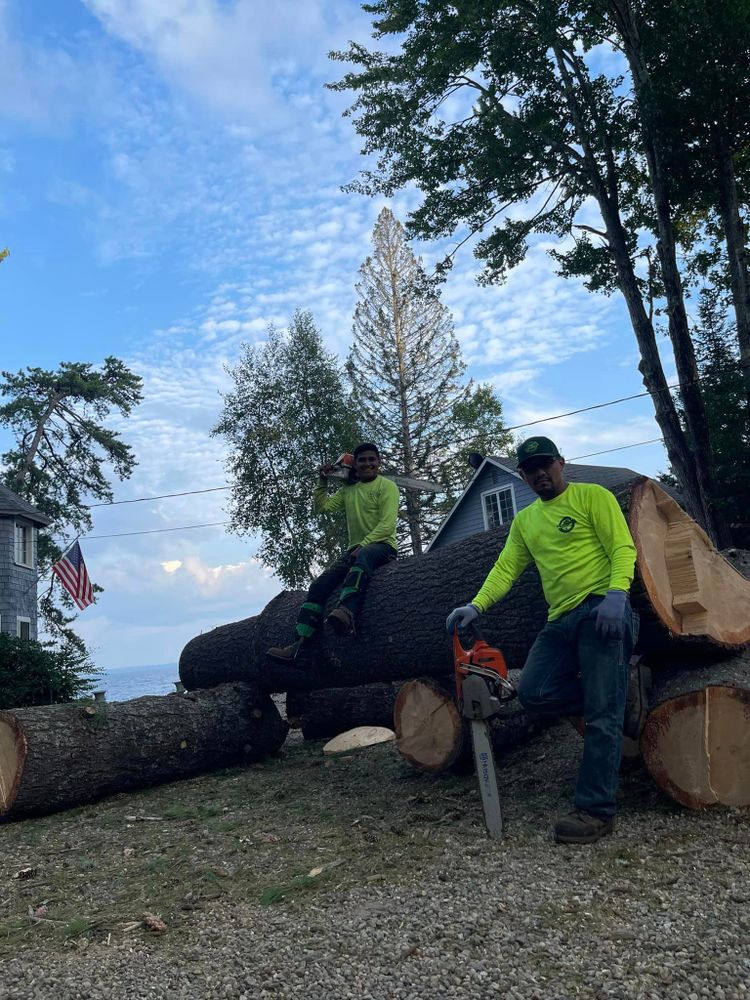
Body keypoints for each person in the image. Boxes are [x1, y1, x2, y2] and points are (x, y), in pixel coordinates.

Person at [446, 435, 641, 845]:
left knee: (603, 714)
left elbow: (623, 546)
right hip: (560, 620)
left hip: (601, 611)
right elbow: (505, 569)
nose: (539, 473)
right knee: (534, 693)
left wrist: (617, 594)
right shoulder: (526, 521)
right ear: (522, 475)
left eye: (545, 464)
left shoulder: (594, 497)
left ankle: (595, 811)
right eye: (530, 468)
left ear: (561, 463)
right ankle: (624, 693)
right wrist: (476, 606)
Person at [267, 443, 399, 663]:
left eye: (371, 460)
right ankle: (300, 644)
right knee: (319, 585)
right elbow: (322, 508)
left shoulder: (387, 487)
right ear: (355, 464)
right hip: (356, 549)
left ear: (379, 462)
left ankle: (347, 611)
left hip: (383, 547)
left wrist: (364, 544)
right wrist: (322, 480)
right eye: (362, 460)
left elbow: (387, 525)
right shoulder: (348, 490)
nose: (367, 464)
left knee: (364, 556)